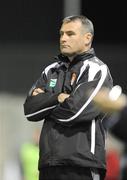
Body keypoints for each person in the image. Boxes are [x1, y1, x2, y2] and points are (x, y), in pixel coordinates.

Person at [23, 15, 113, 180]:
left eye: (70, 34)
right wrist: (58, 98)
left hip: (82, 165)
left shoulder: (96, 69)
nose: (63, 38)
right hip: (48, 165)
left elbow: (75, 111)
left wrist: (45, 102)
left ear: (87, 38)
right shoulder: (51, 70)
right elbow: (29, 110)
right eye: (61, 34)